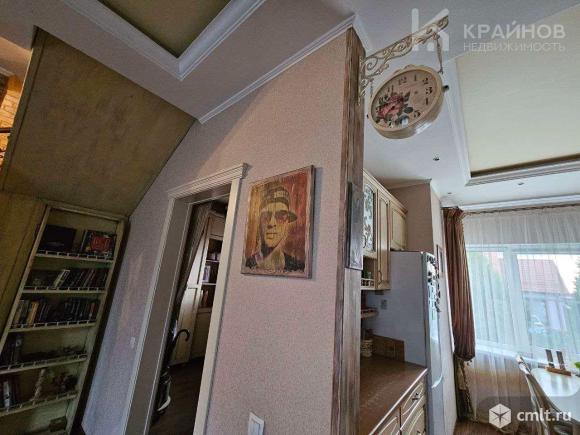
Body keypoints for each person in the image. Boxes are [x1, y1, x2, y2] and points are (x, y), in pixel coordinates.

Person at [245, 183, 304, 272]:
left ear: (287, 223)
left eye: (281, 216)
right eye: (266, 216)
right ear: (259, 223)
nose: (272, 223)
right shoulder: (247, 264)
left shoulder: (298, 267)